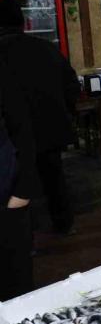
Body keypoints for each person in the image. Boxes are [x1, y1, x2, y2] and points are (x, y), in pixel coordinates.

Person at [0, 0, 79, 235]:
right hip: (49, 129)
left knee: (16, 184)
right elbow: (72, 87)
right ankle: (63, 224)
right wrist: (65, 113)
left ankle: (26, 234)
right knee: (54, 177)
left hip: (12, 137)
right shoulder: (46, 48)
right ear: (23, 22)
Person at [0, 61, 37, 300]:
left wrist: (23, 192)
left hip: (7, 201)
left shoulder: (5, 77)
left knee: (15, 290)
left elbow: (25, 133)